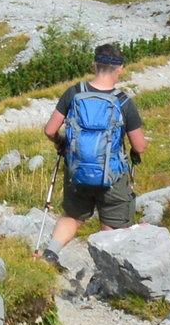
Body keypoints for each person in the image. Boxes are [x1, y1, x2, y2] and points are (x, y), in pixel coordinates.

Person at [43, 42, 149, 249]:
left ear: (94, 65)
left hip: (78, 171)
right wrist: (134, 154)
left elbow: (49, 130)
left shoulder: (73, 93)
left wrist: (61, 143)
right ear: (120, 69)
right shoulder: (123, 101)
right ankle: (104, 268)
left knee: (73, 216)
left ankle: (51, 252)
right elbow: (140, 146)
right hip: (112, 175)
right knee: (112, 223)